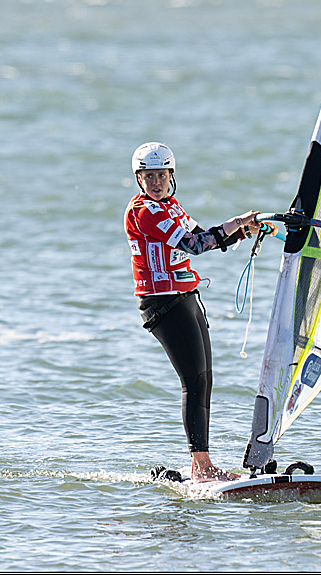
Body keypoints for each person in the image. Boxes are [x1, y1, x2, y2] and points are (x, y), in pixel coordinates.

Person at [124, 142, 260, 483]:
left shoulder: (171, 206)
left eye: (161, 175)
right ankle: (202, 468)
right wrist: (236, 222)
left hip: (185, 297)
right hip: (162, 303)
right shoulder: (145, 212)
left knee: (205, 379)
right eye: (149, 176)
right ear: (139, 179)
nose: (156, 182)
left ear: (171, 175)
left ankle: (204, 463)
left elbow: (203, 235)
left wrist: (244, 231)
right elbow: (194, 246)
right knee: (193, 381)